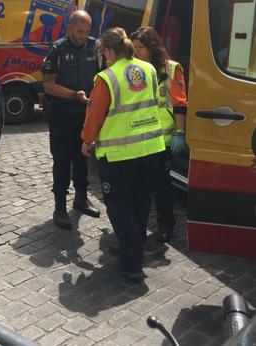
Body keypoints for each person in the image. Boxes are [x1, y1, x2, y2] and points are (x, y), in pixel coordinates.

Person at [81, 27, 165, 282]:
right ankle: (134, 248)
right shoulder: (148, 69)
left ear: (107, 50)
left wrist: (86, 141)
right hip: (150, 148)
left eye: (103, 52)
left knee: (119, 207)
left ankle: (131, 262)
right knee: (140, 203)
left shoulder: (107, 78)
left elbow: (94, 115)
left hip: (119, 154)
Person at [41, 10, 102, 230]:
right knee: (62, 161)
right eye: (79, 32)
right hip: (62, 114)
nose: (83, 35)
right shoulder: (58, 50)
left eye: (87, 31)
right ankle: (60, 207)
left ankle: (81, 199)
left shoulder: (95, 47)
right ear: (69, 29)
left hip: (85, 115)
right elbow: (48, 85)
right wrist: (73, 95)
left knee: (82, 158)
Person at [131, 27, 188, 242]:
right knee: (141, 185)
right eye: (134, 47)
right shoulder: (134, 69)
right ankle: (139, 226)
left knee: (161, 186)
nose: (137, 52)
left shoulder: (171, 69)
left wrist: (179, 132)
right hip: (139, 135)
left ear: (152, 47)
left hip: (163, 139)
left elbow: (180, 104)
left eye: (141, 47)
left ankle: (166, 224)